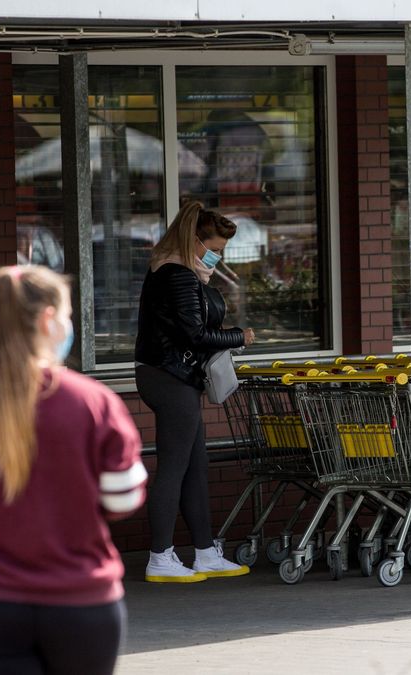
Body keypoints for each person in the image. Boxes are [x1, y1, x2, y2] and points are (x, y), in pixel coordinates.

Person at [0, 266, 145, 674]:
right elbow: (123, 497)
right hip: (82, 604)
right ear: (47, 319)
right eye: (69, 315)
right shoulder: (95, 403)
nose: (69, 325)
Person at [135, 199, 255, 583]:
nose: (219, 257)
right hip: (169, 377)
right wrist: (240, 337)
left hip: (172, 376)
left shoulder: (174, 270)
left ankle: (205, 551)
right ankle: (160, 556)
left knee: (195, 466)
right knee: (174, 467)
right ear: (197, 241)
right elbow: (195, 334)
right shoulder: (178, 274)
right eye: (216, 249)